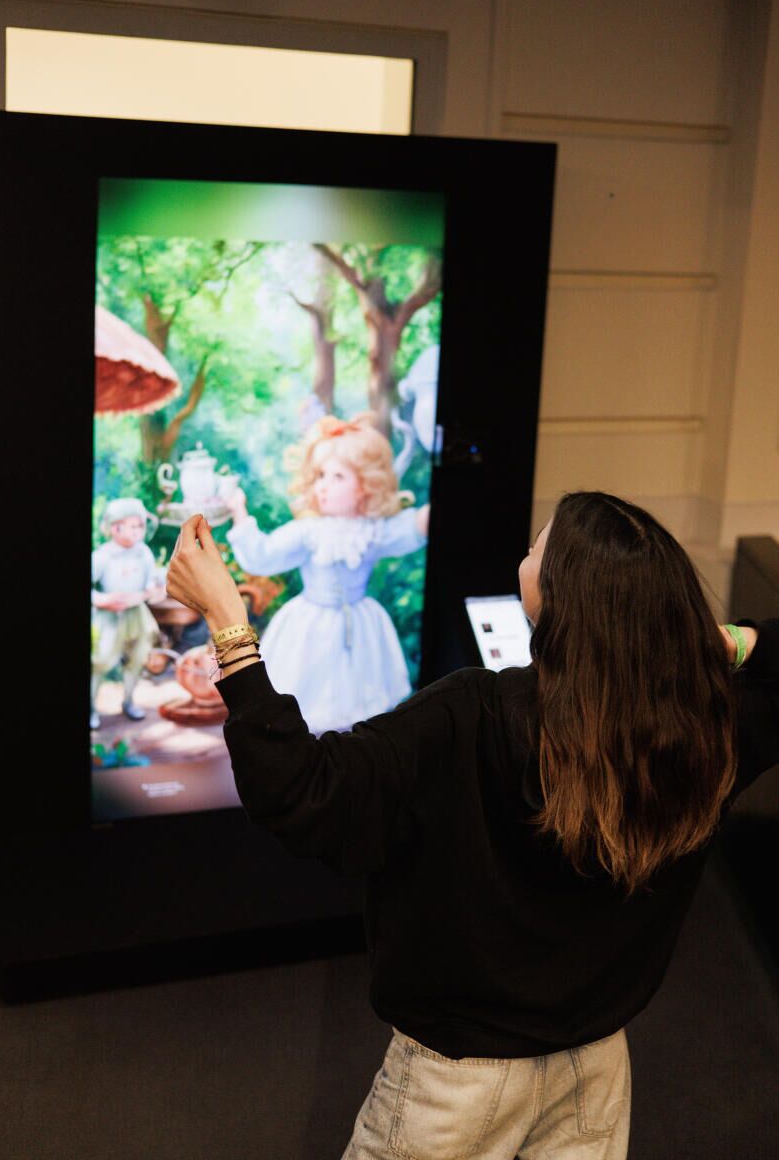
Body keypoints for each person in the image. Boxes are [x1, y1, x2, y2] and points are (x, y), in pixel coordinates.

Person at [166, 491, 778, 1159]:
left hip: (454, 1086)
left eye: (538, 547)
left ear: (558, 598)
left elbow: (301, 790)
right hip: (598, 1067)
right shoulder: (709, 729)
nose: (527, 552)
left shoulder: (472, 716)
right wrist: (721, 643)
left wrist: (228, 623)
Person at [220, 412, 429, 734]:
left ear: (365, 485)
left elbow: (410, 529)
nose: (324, 486)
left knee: (359, 707)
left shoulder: (373, 531)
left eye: (338, 477)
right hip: (310, 627)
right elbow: (262, 557)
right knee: (306, 703)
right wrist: (238, 510)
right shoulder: (309, 532)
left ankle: (350, 754)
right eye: (320, 475)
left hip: (361, 627)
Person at [90, 497, 166, 731]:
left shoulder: (143, 553)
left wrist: (147, 592)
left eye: (140, 526)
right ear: (115, 528)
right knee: (100, 661)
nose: (137, 531)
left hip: (137, 614)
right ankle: (91, 709)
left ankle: (129, 701)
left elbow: (152, 585)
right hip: (109, 617)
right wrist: (102, 599)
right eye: (132, 526)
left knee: (137, 657)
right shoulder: (103, 555)